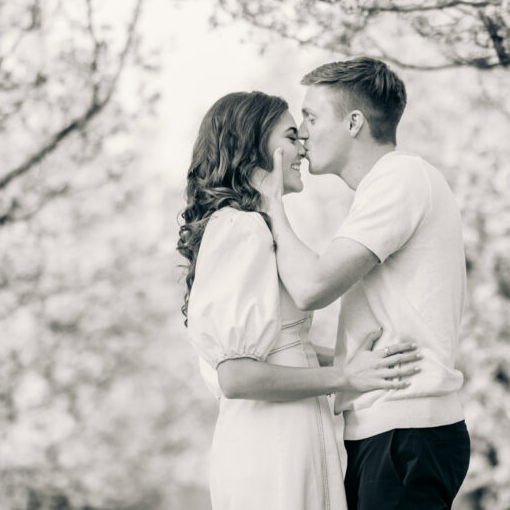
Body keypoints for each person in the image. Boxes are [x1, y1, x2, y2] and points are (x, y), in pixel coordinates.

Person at [177, 91, 422, 510]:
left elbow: (279, 348)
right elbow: (237, 376)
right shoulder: (241, 228)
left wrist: (347, 359)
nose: (303, 147)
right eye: (292, 136)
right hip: (271, 448)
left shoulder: (257, 228)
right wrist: (344, 377)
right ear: (254, 148)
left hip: (288, 436)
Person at [254, 59, 471, 510]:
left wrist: (272, 204)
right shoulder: (385, 187)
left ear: (354, 123)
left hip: (406, 433)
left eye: (311, 117)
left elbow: (312, 287)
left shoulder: (400, 177)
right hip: (392, 433)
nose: (302, 134)